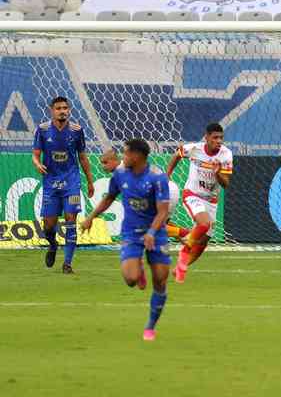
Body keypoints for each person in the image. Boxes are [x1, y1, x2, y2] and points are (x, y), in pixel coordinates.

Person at [82, 139, 170, 341]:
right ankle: (138, 267)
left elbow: (163, 212)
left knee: (160, 279)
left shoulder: (158, 178)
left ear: (137, 156)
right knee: (130, 279)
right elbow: (109, 198)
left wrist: (151, 233)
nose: (123, 157)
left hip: (156, 232)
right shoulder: (120, 174)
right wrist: (90, 217)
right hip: (131, 232)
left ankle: (150, 326)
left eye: (126, 153)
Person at [99, 149, 190, 290]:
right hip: (170, 188)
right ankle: (184, 237)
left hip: (166, 191)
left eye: (105, 163)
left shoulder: (122, 171)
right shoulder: (126, 168)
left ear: (114, 161)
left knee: (151, 224)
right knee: (155, 221)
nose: (103, 166)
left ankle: (182, 233)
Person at [32, 96, 94, 274]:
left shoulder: (76, 130)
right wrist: (37, 163)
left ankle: (67, 264)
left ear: (69, 110)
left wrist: (89, 181)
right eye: (58, 108)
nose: (62, 111)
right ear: (52, 110)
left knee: (70, 220)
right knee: (49, 226)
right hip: (51, 183)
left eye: (65, 108)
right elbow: (35, 154)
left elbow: (82, 157)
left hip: (71, 183)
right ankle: (52, 245)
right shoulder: (43, 130)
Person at [166, 122, 233, 284]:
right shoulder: (194, 149)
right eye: (215, 137)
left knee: (203, 242)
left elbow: (225, 184)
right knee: (204, 224)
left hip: (211, 200)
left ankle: (181, 266)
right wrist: (167, 175)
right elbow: (177, 155)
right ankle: (184, 250)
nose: (218, 141)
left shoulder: (226, 155)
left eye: (221, 138)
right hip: (192, 194)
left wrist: (217, 173)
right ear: (206, 137)